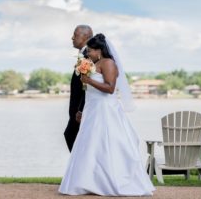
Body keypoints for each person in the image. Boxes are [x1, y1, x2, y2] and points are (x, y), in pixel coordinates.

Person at [59, 33, 155, 196]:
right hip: (92, 109)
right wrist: (81, 109)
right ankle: (89, 182)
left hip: (105, 110)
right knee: (89, 146)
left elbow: (110, 88)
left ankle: (111, 182)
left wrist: (89, 80)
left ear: (99, 50)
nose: (87, 54)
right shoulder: (94, 63)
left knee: (106, 144)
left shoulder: (108, 63)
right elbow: (88, 91)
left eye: (90, 50)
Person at [64, 25, 93, 152]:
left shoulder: (88, 56)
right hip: (77, 110)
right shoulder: (83, 55)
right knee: (74, 137)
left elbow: (87, 86)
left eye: (75, 35)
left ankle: (80, 169)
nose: (72, 38)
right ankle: (81, 169)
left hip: (81, 110)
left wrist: (81, 109)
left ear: (86, 36)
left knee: (70, 135)